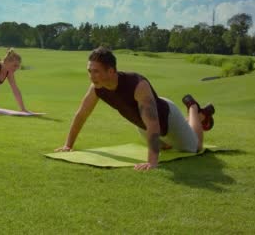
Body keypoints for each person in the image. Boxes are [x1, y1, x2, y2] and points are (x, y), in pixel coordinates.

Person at [54, 47, 216, 171]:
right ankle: (190, 120)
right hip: (143, 124)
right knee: (165, 147)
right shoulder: (97, 87)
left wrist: (152, 162)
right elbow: (82, 114)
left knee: (195, 147)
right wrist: (68, 145)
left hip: (166, 118)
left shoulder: (138, 85)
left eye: (96, 71)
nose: (91, 76)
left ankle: (195, 110)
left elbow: (153, 123)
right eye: (89, 71)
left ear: (111, 71)